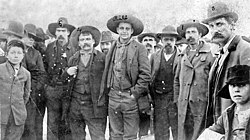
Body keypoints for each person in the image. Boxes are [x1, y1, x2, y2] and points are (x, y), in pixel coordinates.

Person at [100, 14, 151, 139]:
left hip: (129, 97)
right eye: (121, 28)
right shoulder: (113, 47)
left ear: (132, 31)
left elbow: (145, 74)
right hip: (113, 97)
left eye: (127, 29)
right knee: (115, 134)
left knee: (130, 135)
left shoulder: (139, 48)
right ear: (117, 30)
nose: (124, 31)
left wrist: (134, 94)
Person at [202, 2, 250, 127]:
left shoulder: (245, 50)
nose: (215, 30)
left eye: (219, 24)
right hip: (222, 122)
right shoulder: (220, 54)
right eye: (211, 26)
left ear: (232, 24)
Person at [61, 25, 107, 140]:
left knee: (98, 136)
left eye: (88, 39)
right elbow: (63, 79)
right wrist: (67, 72)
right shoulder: (73, 58)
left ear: (94, 41)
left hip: (94, 105)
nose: (85, 42)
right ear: (78, 43)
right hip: (75, 104)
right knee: (77, 136)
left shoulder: (102, 58)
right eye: (82, 40)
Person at [175, 19, 215, 140]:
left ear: (200, 34)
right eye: (188, 32)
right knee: (184, 134)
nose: (190, 35)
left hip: (201, 105)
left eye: (193, 32)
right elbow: (176, 80)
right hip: (184, 104)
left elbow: (213, 81)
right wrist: (178, 100)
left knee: (199, 135)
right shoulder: (182, 55)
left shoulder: (209, 54)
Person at [43, 17, 76, 140]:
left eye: (63, 31)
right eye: (58, 31)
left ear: (68, 32)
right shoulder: (50, 47)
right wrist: (47, 87)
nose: (61, 34)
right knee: (52, 123)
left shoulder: (74, 48)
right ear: (55, 33)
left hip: (69, 91)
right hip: (53, 91)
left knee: (67, 123)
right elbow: (45, 67)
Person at [149, 25, 181, 140]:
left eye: (171, 40)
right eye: (166, 40)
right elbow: (150, 77)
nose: (168, 43)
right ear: (161, 41)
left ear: (176, 41)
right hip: (159, 99)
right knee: (160, 131)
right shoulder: (154, 57)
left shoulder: (182, 57)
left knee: (178, 130)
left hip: (174, 99)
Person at [202, 65, 250, 140]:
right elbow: (207, 135)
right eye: (232, 85)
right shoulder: (228, 113)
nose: (236, 89)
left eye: (241, 85)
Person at [0, 39, 31, 140]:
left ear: (23, 55)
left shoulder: (26, 74)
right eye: (12, 52)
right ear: (6, 55)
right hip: (1, 115)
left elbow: (26, 95)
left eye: (19, 53)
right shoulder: (1, 69)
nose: (16, 56)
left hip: (17, 116)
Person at [21, 23, 46, 140]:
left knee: (31, 126)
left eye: (34, 38)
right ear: (23, 35)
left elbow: (42, 74)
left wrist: (32, 90)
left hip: (32, 95)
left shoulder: (36, 54)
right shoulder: (15, 50)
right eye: (29, 36)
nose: (31, 40)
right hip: (16, 94)